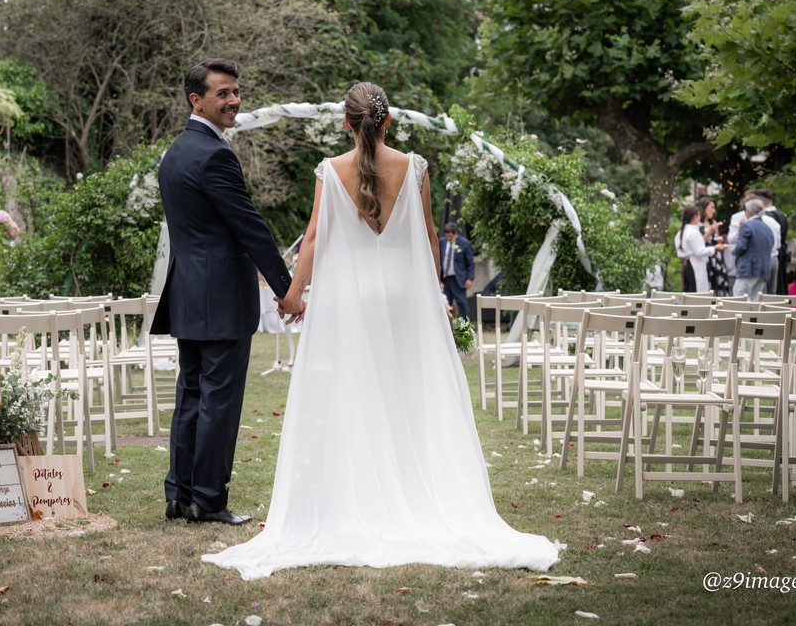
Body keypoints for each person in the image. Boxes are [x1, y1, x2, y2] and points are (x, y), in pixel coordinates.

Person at [203, 82, 560, 579]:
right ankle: (412, 489)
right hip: (403, 301)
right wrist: (435, 293)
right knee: (409, 396)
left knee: (353, 396)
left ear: (347, 125)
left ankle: (363, 493)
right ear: (388, 121)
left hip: (350, 303)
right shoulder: (414, 168)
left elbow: (312, 237)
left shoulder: (331, 171)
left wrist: (293, 292)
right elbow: (429, 236)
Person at [150, 59, 305, 526]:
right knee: (217, 398)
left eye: (236, 91)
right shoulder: (214, 155)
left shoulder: (176, 151)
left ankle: (179, 495)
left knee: (192, 394)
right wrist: (287, 288)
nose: (234, 100)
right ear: (196, 100)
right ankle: (208, 499)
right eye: (223, 93)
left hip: (187, 294)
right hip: (219, 298)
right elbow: (250, 227)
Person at [675, 204, 726, 292]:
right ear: (695, 216)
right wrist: (715, 248)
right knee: (696, 291)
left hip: (687, 264)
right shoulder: (693, 232)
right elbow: (699, 251)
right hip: (695, 265)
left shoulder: (682, 232)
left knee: (689, 290)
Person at [731, 199, 774, 302]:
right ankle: (752, 318)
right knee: (755, 300)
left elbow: (741, 247)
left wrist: (733, 251)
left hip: (748, 268)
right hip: (763, 269)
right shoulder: (767, 228)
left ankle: (740, 318)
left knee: (739, 297)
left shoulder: (747, 225)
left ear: (748, 211)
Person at [439, 221, 475, 319]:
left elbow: (470, 263)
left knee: (462, 303)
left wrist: (470, 278)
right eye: (446, 236)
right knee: (445, 304)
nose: (448, 238)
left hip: (458, 278)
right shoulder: (442, 242)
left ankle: (466, 327)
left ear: (455, 233)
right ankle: (448, 329)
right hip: (445, 279)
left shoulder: (464, 243)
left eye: (450, 236)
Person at [756, 190, 789, 293]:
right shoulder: (782, 215)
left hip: (769, 256)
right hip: (781, 255)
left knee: (770, 289)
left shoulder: (765, 218)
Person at [697, 197, 729, 296]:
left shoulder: (712, 223)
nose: (714, 211)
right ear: (704, 208)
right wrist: (711, 230)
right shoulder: (698, 224)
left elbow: (713, 240)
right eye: (711, 207)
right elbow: (699, 242)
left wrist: (720, 239)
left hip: (717, 260)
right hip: (706, 260)